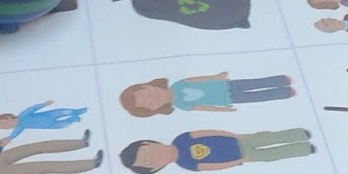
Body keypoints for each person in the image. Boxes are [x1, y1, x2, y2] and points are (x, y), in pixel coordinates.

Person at [119, 126, 315, 173]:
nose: (154, 156)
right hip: (241, 156)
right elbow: (211, 166)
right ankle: (304, 148)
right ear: (154, 169)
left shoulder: (181, 139)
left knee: (268, 137)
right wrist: (238, 162)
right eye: (148, 162)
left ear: (149, 143)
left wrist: (233, 135)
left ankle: (299, 134)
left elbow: (207, 132)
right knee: (271, 155)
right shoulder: (185, 164)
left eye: (147, 152)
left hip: (238, 140)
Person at [119, 73, 295, 114]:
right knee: (257, 97)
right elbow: (202, 107)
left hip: (225, 84)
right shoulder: (180, 105)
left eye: (146, 93)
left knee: (255, 83)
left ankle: (281, 81)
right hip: (227, 98)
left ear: (149, 85)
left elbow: (197, 79)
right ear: (155, 109)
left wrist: (216, 76)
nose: (152, 98)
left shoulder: (177, 85)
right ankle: (285, 92)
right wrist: (221, 110)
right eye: (148, 103)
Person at [0, 102, 87, 141]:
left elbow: (32, 109)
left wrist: (44, 104)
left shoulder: (22, 115)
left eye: (6, 124)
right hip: (49, 125)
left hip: (48, 115)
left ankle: (76, 111)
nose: (8, 126)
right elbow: (13, 135)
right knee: (63, 125)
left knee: (63, 111)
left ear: (8, 117)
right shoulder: (19, 127)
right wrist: (8, 139)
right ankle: (72, 119)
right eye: (6, 127)